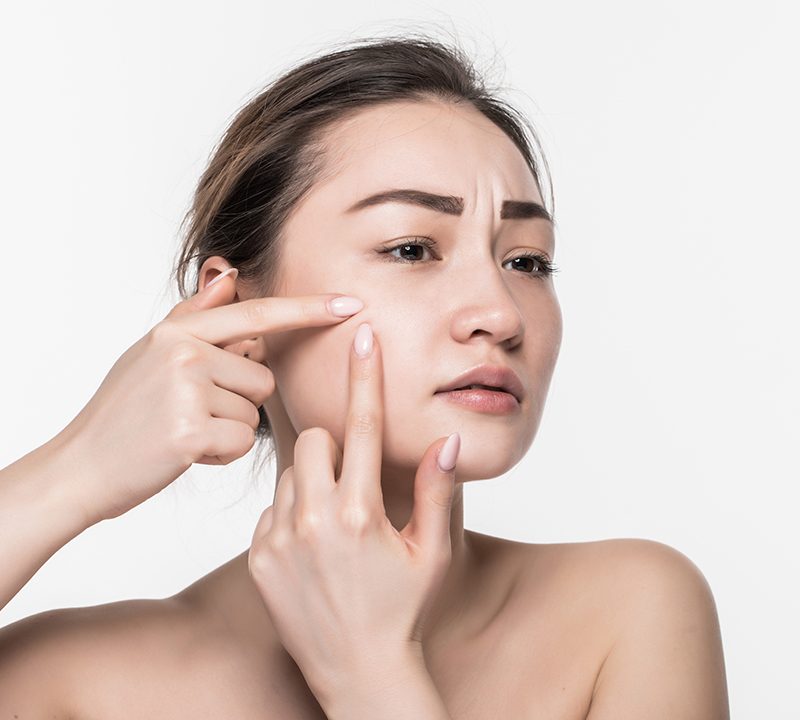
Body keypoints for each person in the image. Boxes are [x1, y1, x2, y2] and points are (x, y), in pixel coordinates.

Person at [0, 33, 729, 719]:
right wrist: (75, 468)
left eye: (527, 261)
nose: (501, 314)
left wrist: (372, 675)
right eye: (412, 249)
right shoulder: (69, 682)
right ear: (237, 307)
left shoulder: (629, 615)